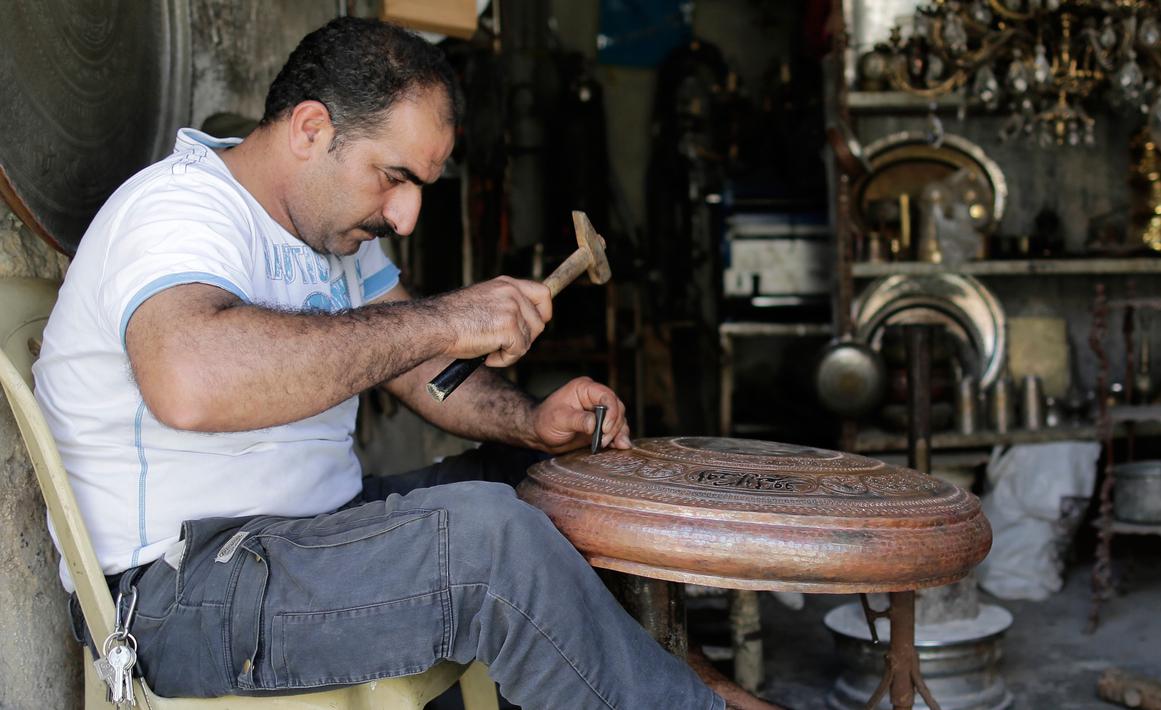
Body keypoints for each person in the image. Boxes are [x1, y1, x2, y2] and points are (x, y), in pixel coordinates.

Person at [34, 16, 723, 710]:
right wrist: (448, 318)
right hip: (178, 591)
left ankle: (691, 688)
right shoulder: (179, 210)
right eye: (393, 177)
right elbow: (189, 384)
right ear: (310, 130)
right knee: (491, 546)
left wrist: (530, 420)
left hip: (304, 540)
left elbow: (421, 367)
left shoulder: (335, 235)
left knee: (555, 484)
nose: (405, 216)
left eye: (420, 185)